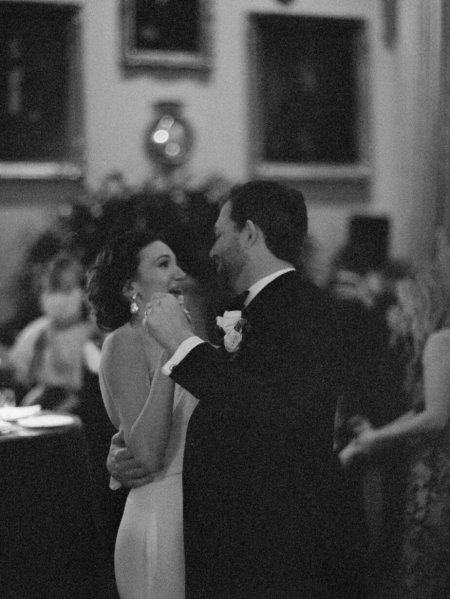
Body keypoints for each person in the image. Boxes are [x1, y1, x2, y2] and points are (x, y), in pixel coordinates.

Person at [109, 180, 366, 599]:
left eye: (219, 234)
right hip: (238, 540)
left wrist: (184, 346)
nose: (211, 251)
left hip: (280, 542)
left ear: (249, 234)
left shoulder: (304, 308)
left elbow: (270, 411)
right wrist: (123, 453)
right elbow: (220, 406)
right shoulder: (246, 310)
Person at [86, 229, 198, 599]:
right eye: (164, 264)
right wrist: (172, 353)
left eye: (177, 262)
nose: (179, 272)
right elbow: (147, 454)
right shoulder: (124, 343)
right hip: (159, 516)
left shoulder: (193, 336)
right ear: (131, 287)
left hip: (198, 512)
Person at [339, 265, 450, 598]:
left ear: (420, 304)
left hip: (438, 470)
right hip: (429, 467)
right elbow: (421, 411)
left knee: (424, 569)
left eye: (403, 305)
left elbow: (435, 417)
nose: (398, 313)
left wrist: (377, 438)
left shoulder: (438, 342)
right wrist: (375, 435)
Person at [7, 251, 95, 411]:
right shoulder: (37, 333)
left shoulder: (93, 333)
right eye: (53, 290)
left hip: (81, 412)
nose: (59, 298)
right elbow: (18, 375)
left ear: (83, 291)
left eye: (67, 289)